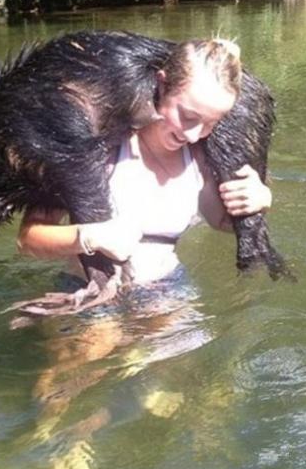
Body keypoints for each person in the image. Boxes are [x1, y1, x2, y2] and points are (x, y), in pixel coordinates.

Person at [16, 38, 272, 297]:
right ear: (162, 84)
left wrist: (259, 200)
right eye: (188, 117)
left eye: (210, 124)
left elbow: (221, 222)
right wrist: (90, 237)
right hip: (87, 290)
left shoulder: (198, 159)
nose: (195, 135)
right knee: (100, 338)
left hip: (167, 289)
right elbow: (28, 239)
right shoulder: (98, 148)